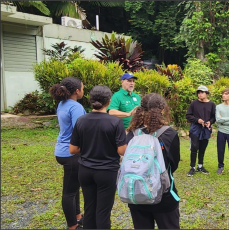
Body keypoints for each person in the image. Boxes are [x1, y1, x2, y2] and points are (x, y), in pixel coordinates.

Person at [69, 85, 127, 229]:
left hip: (85, 171)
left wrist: (89, 145)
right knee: (103, 212)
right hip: (107, 172)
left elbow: (73, 149)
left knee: (89, 209)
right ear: (109, 101)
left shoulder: (81, 120)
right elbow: (122, 150)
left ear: (91, 100)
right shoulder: (115, 122)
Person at [126, 93, 181, 229]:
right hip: (163, 195)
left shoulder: (132, 133)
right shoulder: (169, 134)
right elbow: (173, 164)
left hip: (137, 194)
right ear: (162, 110)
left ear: (141, 110)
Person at [50, 77, 85, 229]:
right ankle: (72, 226)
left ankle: (78, 216)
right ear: (77, 91)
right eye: (83, 88)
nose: (84, 90)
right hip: (71, 153)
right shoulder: (75, 107)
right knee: (69, 192)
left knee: (74, 186)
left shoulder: (62, 103)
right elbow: (81, 131)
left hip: (61, 150)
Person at [185, 85, 216, 176]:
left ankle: (200, 166)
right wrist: (197, 120)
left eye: (202, 92)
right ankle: (192, 167)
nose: (200, 94)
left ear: (206, 93)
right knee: (194, 148)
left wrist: (210, 122)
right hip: (195, 128)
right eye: (198, 92)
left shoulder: (211, 104)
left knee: (202, 148)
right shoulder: (194, 103)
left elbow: (214, 117)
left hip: (206, 129)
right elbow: (188, 115)